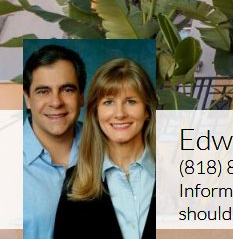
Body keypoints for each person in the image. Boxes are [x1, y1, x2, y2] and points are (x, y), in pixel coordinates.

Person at [54, 58, 155, 239]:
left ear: (147, 110)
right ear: (95, 112)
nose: (120, 114)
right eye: (108, 102)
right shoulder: (74, 183)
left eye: (131, 101)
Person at [22, 44, 85, 239]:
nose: (56, 102)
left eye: (67, 89)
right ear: (27, 99)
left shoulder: (109, 145)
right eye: (43, 91)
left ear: (81, 97)